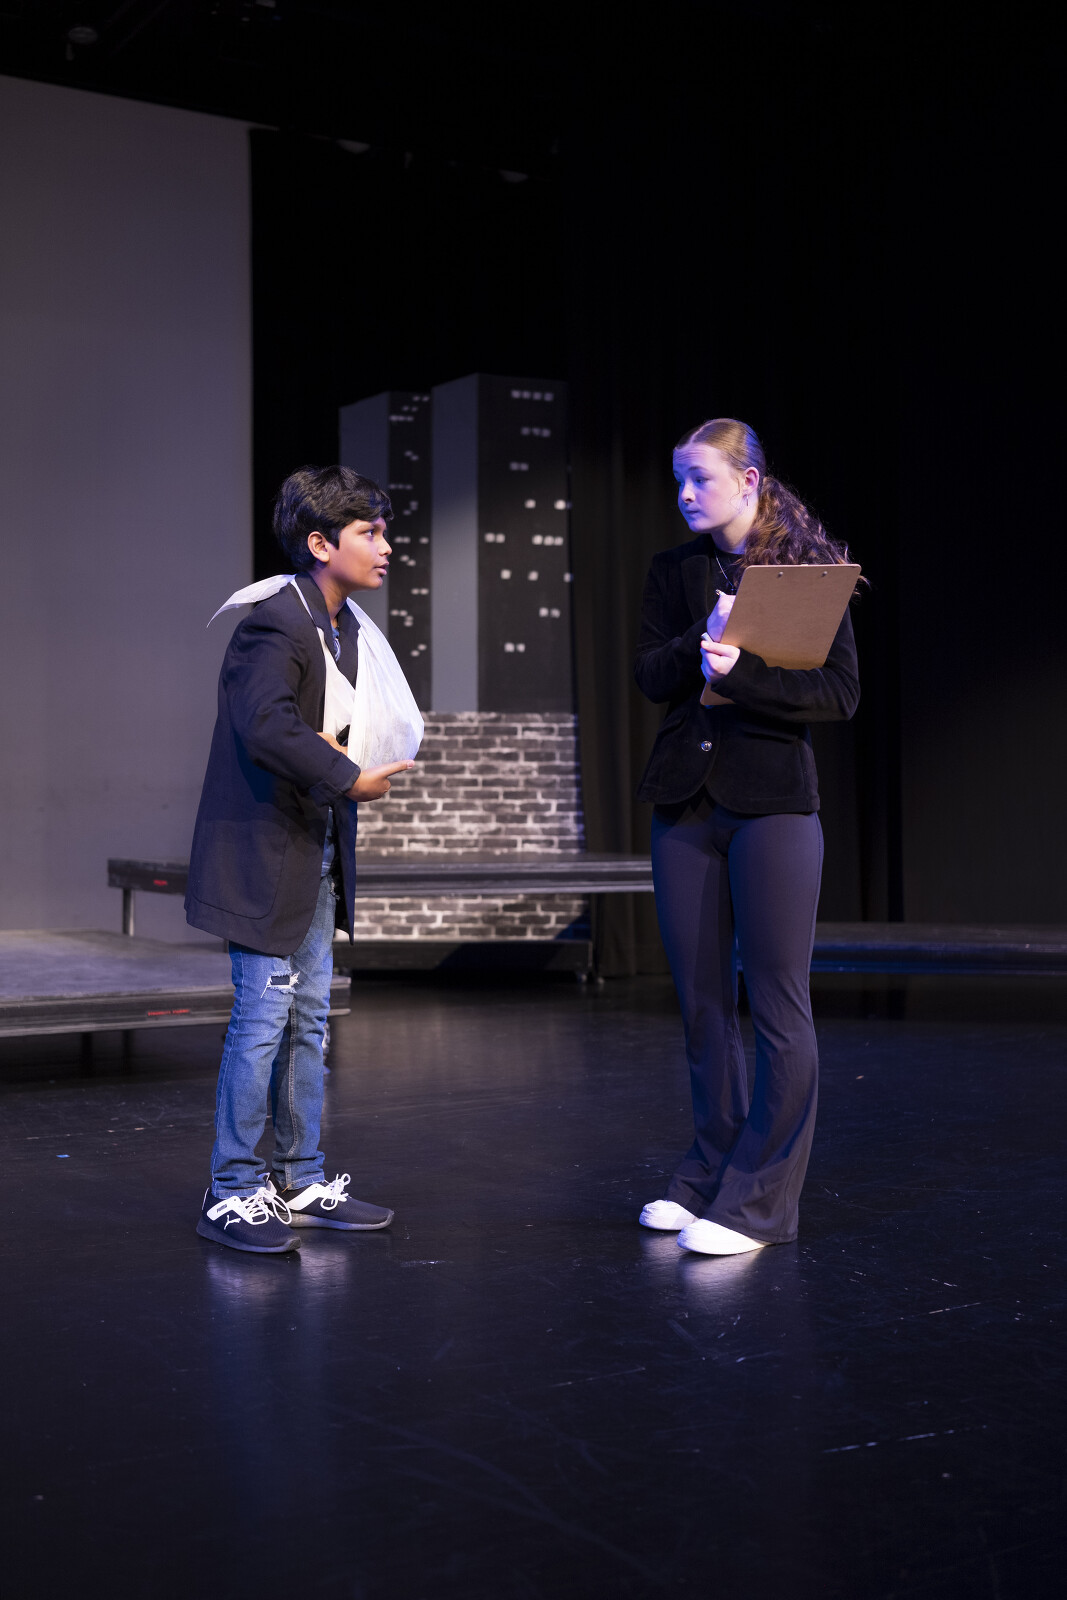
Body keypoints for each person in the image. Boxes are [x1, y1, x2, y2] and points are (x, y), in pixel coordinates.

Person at [634, 418, 860, 1255]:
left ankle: (759, 1204)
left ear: (749, 480)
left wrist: (746, 673)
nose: (685, 494)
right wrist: (699, 648)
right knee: (701, 1006)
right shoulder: (674, 570)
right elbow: (646, 672)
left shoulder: (804, 574)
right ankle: (708, 1175)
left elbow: (839, 694)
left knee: (776, 1006)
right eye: (679, 480)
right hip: (684, 803)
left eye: (699, 478)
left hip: (771, 807)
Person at [186, 465, 416, 1254]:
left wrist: (343, 756)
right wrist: (347, 775)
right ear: (320, 544)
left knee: (308, 1019)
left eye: (383, 531)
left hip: (308, 851)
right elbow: (265, 725)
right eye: (369, 533)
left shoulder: (342, 626)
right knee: (261, 1021)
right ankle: (231, 1189)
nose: (385, 546)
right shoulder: (276, 621)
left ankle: (298, 1177)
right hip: (260, 854)